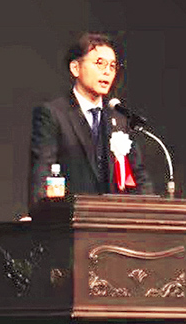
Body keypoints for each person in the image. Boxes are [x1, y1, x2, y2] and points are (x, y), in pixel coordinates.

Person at [27, 32, 150, 206]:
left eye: (112, 66)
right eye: (100, 63)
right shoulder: (53, 114)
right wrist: (39, 214)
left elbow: (138, 175)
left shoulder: (119, 118)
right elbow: (42, 171)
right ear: (75, 68)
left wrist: (149, 212)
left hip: (112, 217)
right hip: (70, 215)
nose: (107, 71)